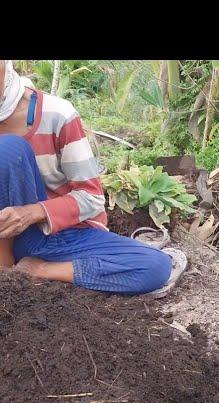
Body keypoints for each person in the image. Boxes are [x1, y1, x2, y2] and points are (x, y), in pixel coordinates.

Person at [0, 60, 172, 295]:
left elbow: (91, 197)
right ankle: (6, 272)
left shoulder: (57, 115)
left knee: (155, 267)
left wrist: (30, 213)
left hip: (55, 237)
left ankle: (38, 270)